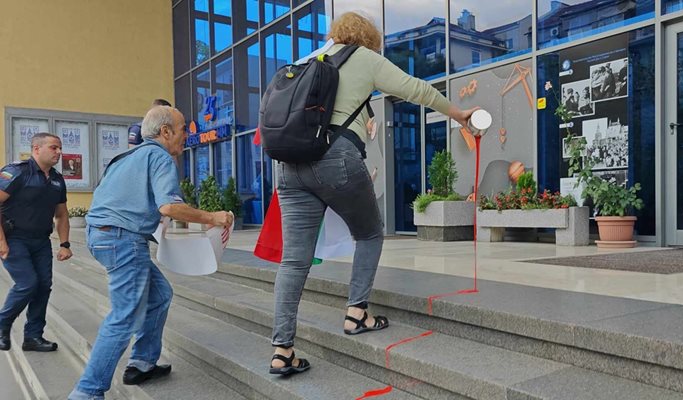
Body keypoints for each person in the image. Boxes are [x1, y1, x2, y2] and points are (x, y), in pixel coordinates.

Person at [268, 11, 477, 375]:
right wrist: (459, 114)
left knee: (294, 260)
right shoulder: (362, 58)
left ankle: (282, 349)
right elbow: (415, 89)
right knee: (368, 233)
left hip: (288, 166)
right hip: (335, 159)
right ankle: (356, 313)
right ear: (368, 39)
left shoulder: (311, 60)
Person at [68, 106, 233, 400]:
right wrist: (213, 217)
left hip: (103, 236)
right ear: (165, 131)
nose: (188, 135)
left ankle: (142, 363)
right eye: (184, 129)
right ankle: (87, 392)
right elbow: (168, 206)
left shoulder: (126, 157)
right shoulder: (160, 156)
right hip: (123, 241)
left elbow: (146, 209)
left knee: (159, 295)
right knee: (124, 316)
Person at [0, 133, 72, 353]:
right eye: (53, 148)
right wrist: (2, 242)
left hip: (40, 241)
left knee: (43, 287)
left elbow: (61, 214)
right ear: (36, 149)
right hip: (14, 238)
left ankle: (33, 337)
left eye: (60, 148)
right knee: (27, 283)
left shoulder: (58, 179)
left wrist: (65, 244)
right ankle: (2, 325)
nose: (59, 152)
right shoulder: (16, 172)